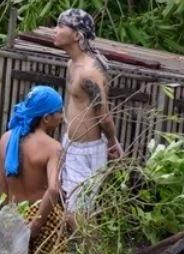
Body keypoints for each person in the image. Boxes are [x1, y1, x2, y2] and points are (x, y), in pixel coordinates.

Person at [0, 85, 65, 254]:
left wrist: (12, 215)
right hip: (42, 217)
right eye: (59, 112)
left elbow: (1, 185)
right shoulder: (53, 147)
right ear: (47, 118)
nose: (62, 116)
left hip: (14, 214)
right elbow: (54, 189)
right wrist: (36, 224)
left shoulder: (6, 139)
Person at [54, 8, 121, 212]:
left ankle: (91, 244)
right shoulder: (71, 64)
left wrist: (112, 142)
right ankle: (79, 244)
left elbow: (104, 115)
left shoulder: (90, 72)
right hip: (71, 143)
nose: (54, 30)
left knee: (78, 214)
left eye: (60, 26)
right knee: (69, 204)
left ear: (76, 35)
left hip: (87, 150)